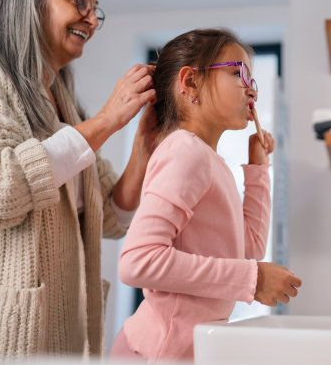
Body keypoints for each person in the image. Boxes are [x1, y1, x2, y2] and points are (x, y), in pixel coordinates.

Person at [0, 0, 157, 362]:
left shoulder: (64, 103)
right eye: (79, 0)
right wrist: (107, 120)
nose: (91, 20)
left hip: (61, 334)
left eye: (95, 8)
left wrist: (142, 142)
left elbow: (109, 216)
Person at [111, 28, 302, 362]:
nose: (251, 88)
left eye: (252, 79)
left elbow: (248, 247)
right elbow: (137, 261)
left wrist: (257, 169)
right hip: (152, 354)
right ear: (190, 82)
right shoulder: (186, 152)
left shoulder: (211, 162)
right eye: (238, 72)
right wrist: (251, 280)